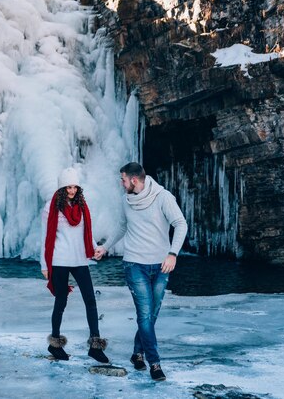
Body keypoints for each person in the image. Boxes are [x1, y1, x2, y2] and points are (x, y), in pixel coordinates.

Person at [94, 162, 187, 381]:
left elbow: (180, 224)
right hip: (134, 264)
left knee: (151, 315)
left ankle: (137, 352)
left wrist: (173, 253)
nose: (121, 183)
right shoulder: (126, 201)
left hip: (161, 265)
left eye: (123, 179)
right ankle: (155, 363)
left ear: (134, 180)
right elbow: (122, 227)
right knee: (144, 315)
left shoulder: (163, 197)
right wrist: (105, 247)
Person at [40, 167, 109, 363]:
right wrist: (44, 265)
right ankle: (55, 344)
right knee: (61, 301)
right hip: (59, 260)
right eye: (68, 187)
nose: (72, 191)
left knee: (90, 301)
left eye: (75, 187)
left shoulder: (82, 206)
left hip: (80, 259)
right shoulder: (50, 208)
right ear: (62, 188)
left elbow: (86, 232)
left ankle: (95, 347)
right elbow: (45, 238)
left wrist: (95, 248)